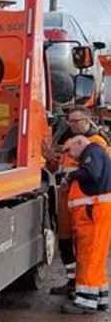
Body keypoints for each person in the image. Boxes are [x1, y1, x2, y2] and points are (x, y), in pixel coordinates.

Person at [42, 105, 109, 296]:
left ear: (87, 121)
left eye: (75, 121)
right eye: (69, 120)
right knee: (65, 242)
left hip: (86, 202)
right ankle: (73, 281)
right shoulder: (73, 143)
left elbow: (95, 173)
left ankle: (83, 287)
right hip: (69, 203)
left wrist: (70, 179)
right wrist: (50, 160)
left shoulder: (96, 145)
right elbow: (59, 170)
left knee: (87, 249)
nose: (71, 124)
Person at [58, 135, 111, 314]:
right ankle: (100, 298)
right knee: (95, 257)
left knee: (88, 256)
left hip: (92, 213)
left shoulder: (92, 151)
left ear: (79, 143)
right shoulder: (95, 152)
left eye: (69, 150)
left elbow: (91, 173)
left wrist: (70, 175)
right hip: (95, 212)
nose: (69, 155)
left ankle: (85, 301)